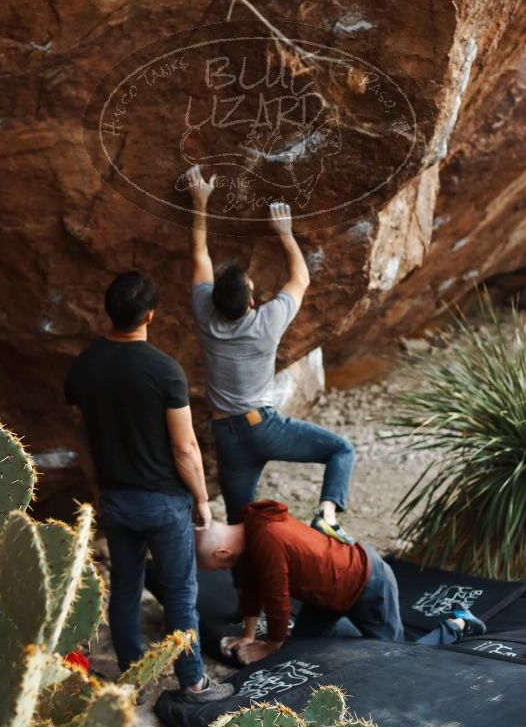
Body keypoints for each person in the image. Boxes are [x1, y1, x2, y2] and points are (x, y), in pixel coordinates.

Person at [64, 270, 233, 703]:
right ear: (151, 315)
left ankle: (130, 682)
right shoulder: (164, 371)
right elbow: (185, 447)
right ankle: (194, 682)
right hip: (163, 502)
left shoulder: (83, 368)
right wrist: (201, 498)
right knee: (179, 593)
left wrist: (97, 485)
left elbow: (80, 436)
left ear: (109, 313)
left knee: (125, 588)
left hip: (116, 498)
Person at [186, 165, 355, 542]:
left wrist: (200, 201)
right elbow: (301, 279)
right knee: (341, 450)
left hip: (226, 435)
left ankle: (244, 600)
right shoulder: (267, 322)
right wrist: (286, 234)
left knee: (239, 525)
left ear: (214, 300)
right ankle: (326, 514)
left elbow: (198, 253)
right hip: (262, 427)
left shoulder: (204, 313)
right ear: (251, 299)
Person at [195, 500, 486, 665]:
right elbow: (252, 587)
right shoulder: (250, 529)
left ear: (222, 552)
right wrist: (248, 637)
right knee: (297, 651)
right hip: (327, 595)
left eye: (215, 565)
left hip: (368, 583)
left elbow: (277, 600)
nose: (219, 570)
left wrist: (269, 646)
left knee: (394, 660)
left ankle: (457, 624)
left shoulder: (266, 541)